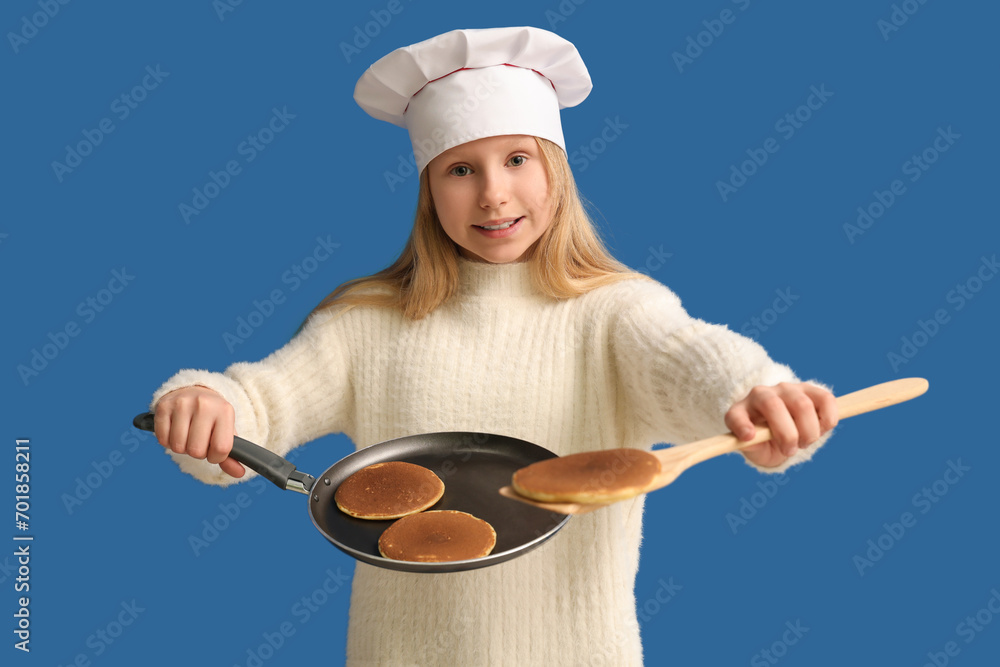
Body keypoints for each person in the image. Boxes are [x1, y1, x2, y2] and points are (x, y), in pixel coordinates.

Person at [150, 26, 838, 666]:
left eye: (516, 159)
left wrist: (754, 394)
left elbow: (688, 360)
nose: (493, 194)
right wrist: (210, 404)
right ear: (428, 190)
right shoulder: (365, 323)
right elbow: (265, 401)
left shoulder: (614, 312)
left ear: (556, 174)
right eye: (460, 170)